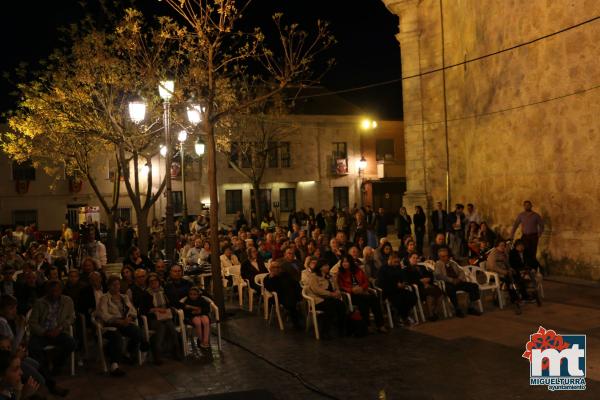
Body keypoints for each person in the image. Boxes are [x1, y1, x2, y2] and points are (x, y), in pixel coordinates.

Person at [27, 281, 76, 377]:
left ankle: (57, 365)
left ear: (61, 291)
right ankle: (44, 369)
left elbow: (71, 317)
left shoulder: (67, 301)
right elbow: (32, 322)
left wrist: (60, 328)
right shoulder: (39, 302)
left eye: (57, 291)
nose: (54, 294)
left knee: (71, 343)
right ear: (47, 291)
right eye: (51, 291)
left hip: (58, 331)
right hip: (42, 332)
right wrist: (44, 332)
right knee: (33, 347)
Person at [97, 276, 143, 377]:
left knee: (137, 331)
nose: (116, 287)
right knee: (116, 337)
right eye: (114, 285)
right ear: (109, 286)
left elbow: (132, 310)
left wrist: (129, 318)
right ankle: (114, 366)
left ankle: (129, 352)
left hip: (124, 322)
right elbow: (103, 314)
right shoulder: (104, 298)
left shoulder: (124, 297)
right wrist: (117, 320)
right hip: (111, 324)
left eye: (118, 284)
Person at [337, 255, 386, 333]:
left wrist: (361, 288)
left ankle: (380, 325)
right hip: (351, 295)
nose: (344, 263)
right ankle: (367, 325)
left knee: (374, 299)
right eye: (343, 262)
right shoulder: (340, 273)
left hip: (362, 291)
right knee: (364, 301)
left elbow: (366, 281)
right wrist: (352, 290)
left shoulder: (358, 270)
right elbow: (341, 286)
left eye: (346, 262)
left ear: (350, 262)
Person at [141, 273, 182, 364]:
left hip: (165, 316)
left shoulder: (164, 292)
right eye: (151, 281)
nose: (154, 283)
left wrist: (167, 309)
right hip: (153, 319)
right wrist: (156, 309)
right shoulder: (146, 294)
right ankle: (157, 354)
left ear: (159, 282)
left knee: (170, 326)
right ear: (148, 283)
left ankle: (177, 351)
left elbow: (171, 303)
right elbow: (143, 310)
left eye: (155, 280)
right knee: (161, 327)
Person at [434, 249, 482, 318]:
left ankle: (471, 307)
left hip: (458, 281)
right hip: (448, 283)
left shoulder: (452, 263)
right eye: (443, 256)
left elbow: (461, 271)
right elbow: (438, 275)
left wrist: (459, 278)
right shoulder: (438, 264)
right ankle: (457, 309)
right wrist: (451, 280)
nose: (446, 258)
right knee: (451, 289)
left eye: (447, 256)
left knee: (474, 286)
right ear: (440, 257)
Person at [305, 261, 346, 338]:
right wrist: (330, 294)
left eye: (327, 265)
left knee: (341, 305)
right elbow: (316, 289)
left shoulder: (330, 277)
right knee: (330, 307)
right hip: (319, 300)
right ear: (320, 267)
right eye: (325, 265)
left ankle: (341, 329)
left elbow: (336, 287)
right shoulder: (314, 276)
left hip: (330, 299)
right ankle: (325, 331)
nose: (328, 267)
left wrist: (337, 292)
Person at [487, 240, 529, 314]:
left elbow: (507, 264)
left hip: (505, 272)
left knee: (518, 276)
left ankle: (524, 295)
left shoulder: (504, 253)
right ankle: (515, 299)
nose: (503, 247)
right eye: (501, 245)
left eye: (504, 245)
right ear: (497, 246)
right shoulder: (493, 254)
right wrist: (505, 272)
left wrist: (510, 269)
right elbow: (493, 267)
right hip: (496, 274)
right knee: (509, 280)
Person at [376, 252, 417, 326]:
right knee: (399, 299)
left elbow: (403, 277)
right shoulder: (383, 269)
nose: (397, 264)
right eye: (395, 262)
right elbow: (381, 283)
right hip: (390, 290)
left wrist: (403, 283)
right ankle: (403, 317)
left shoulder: (397, 267)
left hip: (400, 289)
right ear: (390, 260)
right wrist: (395, 285)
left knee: (412, 296)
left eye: (398, 262)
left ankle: (403, 316)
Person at [402, 252, 444, 321]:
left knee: (441, 295)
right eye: (413, 258)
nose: (415, 259)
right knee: (430, 296)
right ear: (409, 259)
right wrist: (420, 281)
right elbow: (408, 281)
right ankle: (431, 314)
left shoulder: (422, 267)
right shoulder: (406, 270)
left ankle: (435, 312)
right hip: (418, 288)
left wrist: (428, 279)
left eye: (417, 258)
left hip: (429, 285)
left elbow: (430, 275)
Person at [263, 260, 302, 329]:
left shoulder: (285, 274)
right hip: (277, 297)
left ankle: (298, 318)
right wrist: (272, 277)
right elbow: (270, 289)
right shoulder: (267, 278)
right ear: (270, 269)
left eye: (278, 267)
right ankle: (296, 323)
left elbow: (295, 283)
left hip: (290, 294)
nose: (277, 269)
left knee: (295, 295)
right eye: (274, 267)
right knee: (291, 302)